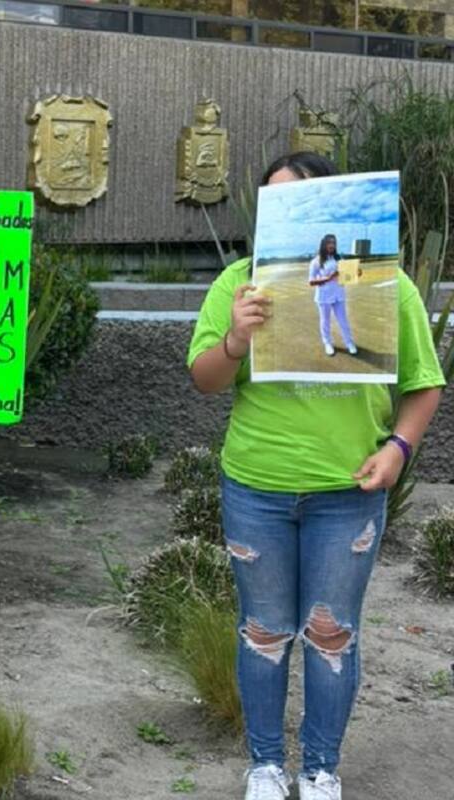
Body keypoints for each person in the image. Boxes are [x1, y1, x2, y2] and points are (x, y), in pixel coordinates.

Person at [187, 151, 445, 800]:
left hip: (347, 493)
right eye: (270, 204)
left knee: (332, 635)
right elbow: (204, 379)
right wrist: (236, 341)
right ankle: (267, 766)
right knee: (263, 629)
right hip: (256, 488)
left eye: (295, 202)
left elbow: (423, 386)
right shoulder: (238, 284)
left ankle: (321, 769)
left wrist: (399, 450)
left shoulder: (385, 285)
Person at [308, 233, 357, 357]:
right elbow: (311, 281)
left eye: (334, 243)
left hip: (339, 295)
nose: (332, 245)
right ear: (324, 244)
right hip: (324, 297)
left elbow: (348, 275)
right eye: (329, 243)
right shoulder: (316, 261)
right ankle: (328, 343)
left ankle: (349, 343)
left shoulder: (339, 259)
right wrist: (329, 277)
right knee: (325, 321)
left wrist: (356, 273)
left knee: (343, 320)